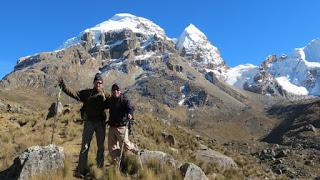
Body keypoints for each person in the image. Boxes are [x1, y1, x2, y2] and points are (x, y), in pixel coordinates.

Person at [58, 73, 107, 178]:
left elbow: (115, 101)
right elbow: (74, 94)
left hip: (101, 124)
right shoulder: (87, 93)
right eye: (97, 82)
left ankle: (99, 170)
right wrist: (63, 86)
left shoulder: (105, 95)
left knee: (101, 147)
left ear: (102, 84)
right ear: (93, 83)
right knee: (85, 147)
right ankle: (80, 171)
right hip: (89, 122)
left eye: (100, 83)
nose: (98, 84)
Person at [105, 83, 139, 166]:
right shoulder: (110, 100)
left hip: (122, 126)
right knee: (112, 147)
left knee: (126, 145)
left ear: (120, 91)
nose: (115, 91)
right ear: (112, 91)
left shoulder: (124, 99)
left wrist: (130, 113)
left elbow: (130, 107)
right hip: (112, 126)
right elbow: (104, 105)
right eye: (114, 90)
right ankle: (117, 162)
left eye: (117, 90)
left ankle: (136, 149)